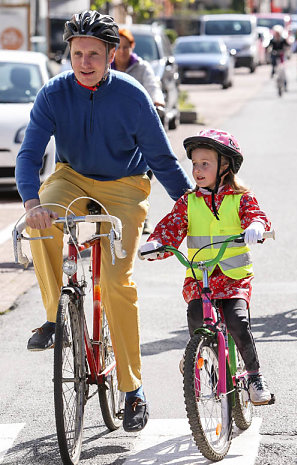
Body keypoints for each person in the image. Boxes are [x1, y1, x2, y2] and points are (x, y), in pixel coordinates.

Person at [15, 10, 192, 432]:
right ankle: (57, 316)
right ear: (69, 54)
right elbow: (29, 154)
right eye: (78, 53)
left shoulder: (132, 97)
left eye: (94, 53)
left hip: (125, 186)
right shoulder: (54, 94)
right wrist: (30, 200)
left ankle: (133, 389)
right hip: (71, 178)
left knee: (115, 283)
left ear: (112, 55)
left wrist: (191, 205)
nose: (85, 62)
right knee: (41, 223)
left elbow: (161, 159)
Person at [139, 129, 273, 405]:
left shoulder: (241, 198)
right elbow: (171, 227)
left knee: (237, 321)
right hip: (200, 277)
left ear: (225, 167)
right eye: (195, 164)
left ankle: (255, 376)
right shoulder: (188, 202)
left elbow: (256, 216)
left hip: (234, 277)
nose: (198, 170)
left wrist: (256, 227)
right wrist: (156, 244)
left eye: (205, 164)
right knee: (197, 315)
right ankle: (196, 356)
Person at [111, 27, 165, 235]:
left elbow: (153, 87)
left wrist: (156, 101)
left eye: (126, 47)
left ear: (132, 47)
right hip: (112, 128)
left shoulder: (141, 68)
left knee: (142, 173)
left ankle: (143, 216)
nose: (122, 51)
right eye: (118, 47)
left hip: (137, 128)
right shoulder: (107, 67)